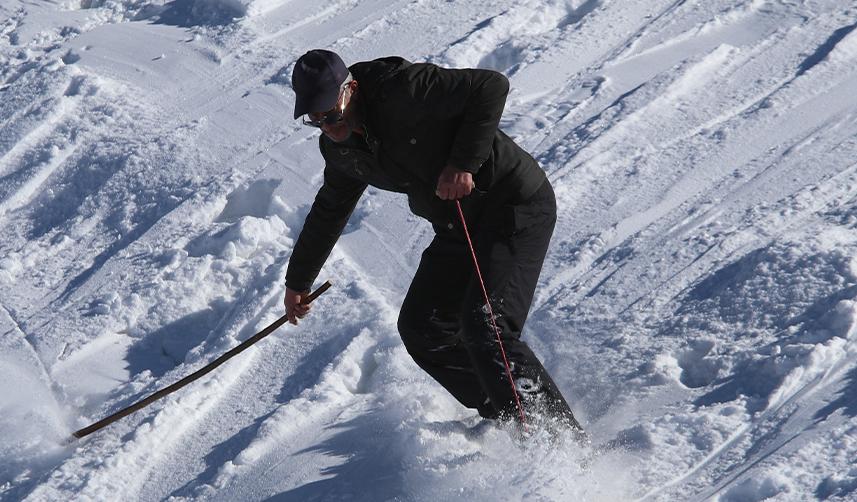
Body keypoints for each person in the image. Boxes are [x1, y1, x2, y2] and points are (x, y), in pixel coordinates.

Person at [283, 49, 582, 432]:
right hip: (458, 225)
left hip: (512, 205)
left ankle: (558, 439)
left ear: (351, 89)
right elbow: (330, 209)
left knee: (486, 327)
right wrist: (298, 281)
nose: (327, 125)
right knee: (422, 329)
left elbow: (490, 86)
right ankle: (508, 414)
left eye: (331, 113)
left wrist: (463, 164)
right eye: (315, 119)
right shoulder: (340, 149)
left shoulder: (403, 89)